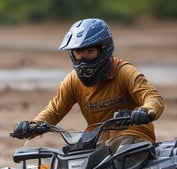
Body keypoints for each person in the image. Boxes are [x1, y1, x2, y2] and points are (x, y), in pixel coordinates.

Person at [12, 18, 165, 152]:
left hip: (133, 138)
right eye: (78, 53)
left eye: (89, 51)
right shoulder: (72, 81)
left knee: (122, 148)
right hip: (96, 141)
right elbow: (54, 110)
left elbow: (152, 97)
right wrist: (32, 126)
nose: (82, 59)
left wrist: (146, 111)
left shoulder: (124, 72)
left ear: (104, 50)